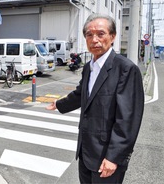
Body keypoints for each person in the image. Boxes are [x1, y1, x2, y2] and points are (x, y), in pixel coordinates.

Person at [46, 13, 144, 183]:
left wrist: (114, 158)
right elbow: (81, 94)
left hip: (107, 156)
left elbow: (128, 119)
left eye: (100, 34)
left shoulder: (126, 69)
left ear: (112, 37)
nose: (94, 40)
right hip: (86, 151)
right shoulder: (88, 68)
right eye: (89, 35)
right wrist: (59, 104)